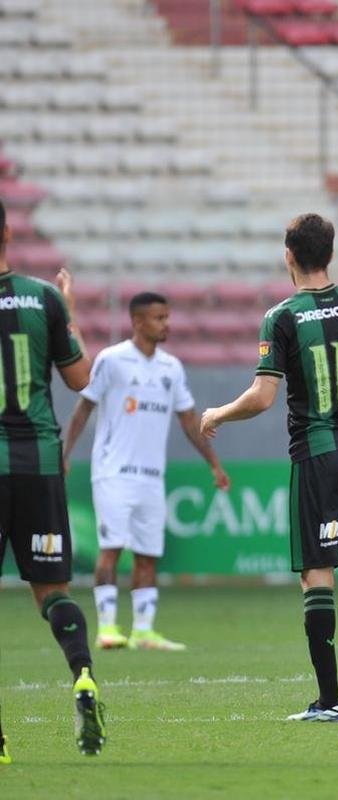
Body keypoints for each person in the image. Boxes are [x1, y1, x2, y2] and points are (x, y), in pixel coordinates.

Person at [199, 213, 338, 722]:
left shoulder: (282, 316)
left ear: (289, 256)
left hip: (319, 455)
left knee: (317, 574)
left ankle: (330, 701)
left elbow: (262, 396)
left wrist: (218, 414)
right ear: (331, 253)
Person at [62, 292, 231, 652]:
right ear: (138, 321)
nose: (166, 324)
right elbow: (83, 409)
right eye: (159, 318)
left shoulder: (171, 368)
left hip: (152, 476)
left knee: (148, 553)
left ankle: (143, 630)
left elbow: (189, 420)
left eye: (167, 317)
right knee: (111, 548)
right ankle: (107, 628)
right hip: (113, 472)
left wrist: (214, 463)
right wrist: (65, 454)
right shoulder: (112, 360)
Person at [0, 199, 107, 757]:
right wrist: (69, 311)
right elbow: (81, 378)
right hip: (40, 463)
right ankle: (83, 675)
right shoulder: (42, 298)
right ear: (8, 233)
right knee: (52, 593)